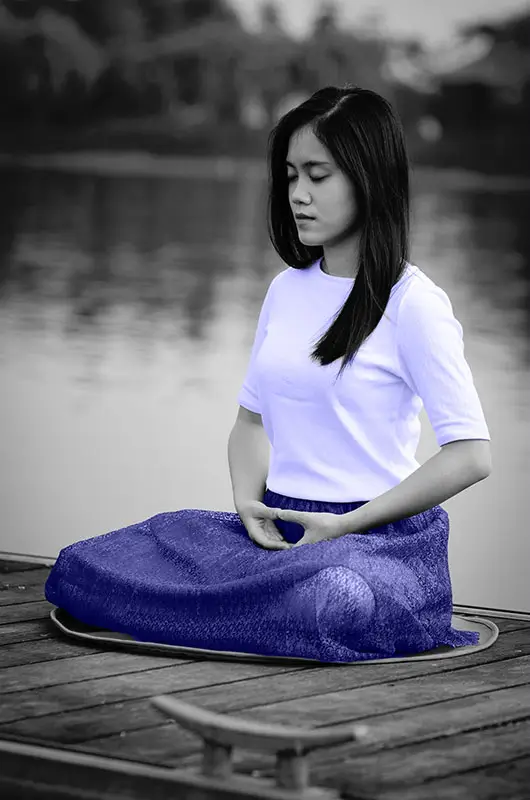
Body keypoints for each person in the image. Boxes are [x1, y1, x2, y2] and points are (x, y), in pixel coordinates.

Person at [45, 85, 492, 663]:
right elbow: (249, 424)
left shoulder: (414, 304)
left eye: (318, 175)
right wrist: (247, 504)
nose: (298, 195)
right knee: (82, 568)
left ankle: (215, 612)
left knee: (330, 600)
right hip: (277, 534)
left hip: (376, 548)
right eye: (289, 176)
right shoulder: (286, 291)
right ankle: (238, 610)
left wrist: (349, 524)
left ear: (369, 177)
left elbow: (471, 454)